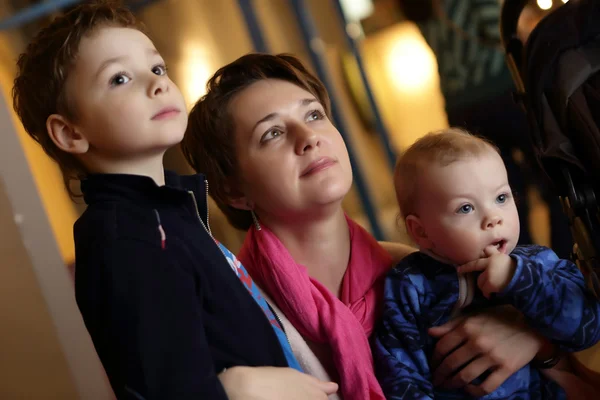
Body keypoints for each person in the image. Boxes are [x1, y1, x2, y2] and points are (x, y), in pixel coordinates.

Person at [180, 53, 578, 399]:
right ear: (234, 191)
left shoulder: (426, 270)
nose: (309, 138)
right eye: (272, 133)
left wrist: (533, 339)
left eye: (314, 114)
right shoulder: (240, 309)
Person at [11, 2, 340, 399]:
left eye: (157, 68)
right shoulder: (124, 239)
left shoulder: (169, 212)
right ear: (69, 133)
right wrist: (239, 388)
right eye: (119, 78)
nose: (157, 84)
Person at [373, 128, 600, 399]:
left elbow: (587, 328)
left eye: (501, 198)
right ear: (421, 232)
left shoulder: (538, 263)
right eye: (466, 208)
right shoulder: (410, 285)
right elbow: (401, 375)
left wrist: (518, 280)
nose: (494, 217)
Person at [400, 0, 573, 259]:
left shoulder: (413, 5)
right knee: (556, 177)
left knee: (493, 195)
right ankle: (565, 259)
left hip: (461, 106)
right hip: (503, 94)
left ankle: (515, 266)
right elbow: (500, 31)